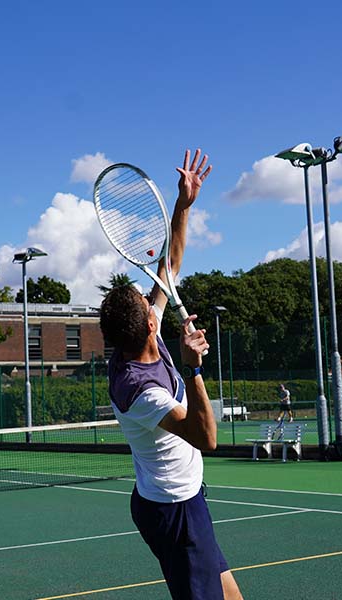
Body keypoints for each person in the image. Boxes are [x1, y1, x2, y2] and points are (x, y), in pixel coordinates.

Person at [100, 149, 243, 600]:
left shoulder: (140, 337)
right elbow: (206, 437)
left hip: (183, 499)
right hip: (174, 511)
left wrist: (185, 204)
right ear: (147, 325)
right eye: (148, 304)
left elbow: (170, 267)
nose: (152, 299)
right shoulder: (139, 390)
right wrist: (193, 367)